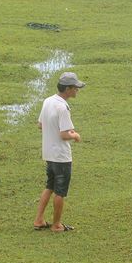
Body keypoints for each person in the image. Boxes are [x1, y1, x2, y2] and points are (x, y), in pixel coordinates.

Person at [33, 72, 85, 232]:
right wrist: (75, 135)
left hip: (49, 153)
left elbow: (40, 125)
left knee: (49, 186)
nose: (77, 90)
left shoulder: (48, 101)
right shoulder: (63, 107)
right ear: (68, 89)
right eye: (75, 88)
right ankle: (56, 224)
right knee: (60, 191)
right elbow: (64, 134)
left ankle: (39, 219)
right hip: (61, 157)